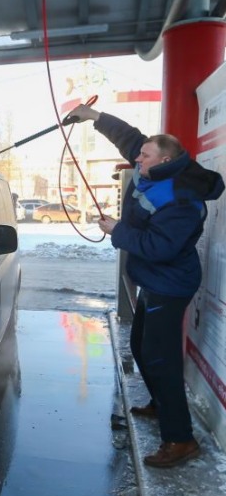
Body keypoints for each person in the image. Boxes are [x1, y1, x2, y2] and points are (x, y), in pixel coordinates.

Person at [67, 103, 225, 468]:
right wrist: (93, 118)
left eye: (144, 155)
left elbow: (161, 247)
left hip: (169, 286)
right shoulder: (156, 166)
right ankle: (160, 403)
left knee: (161, 359)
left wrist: (118, 231)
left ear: (164, 159)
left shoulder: (182, 198)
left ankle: (180, 439)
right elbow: (130, 138)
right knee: (140, 346)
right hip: (153, 282)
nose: (136, 157)